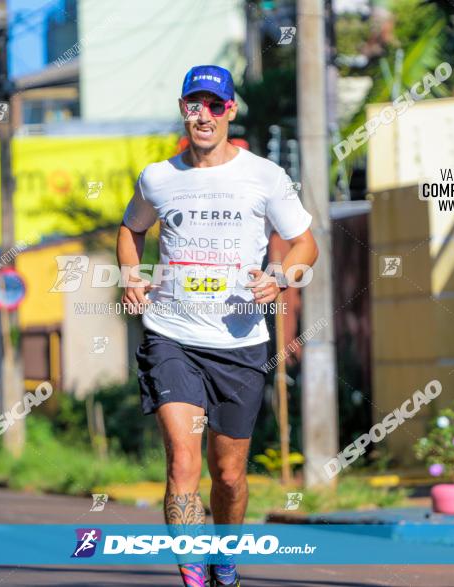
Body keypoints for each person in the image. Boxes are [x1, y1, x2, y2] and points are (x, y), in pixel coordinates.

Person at [117, 65, 318, 587]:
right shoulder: (158, 178)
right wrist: (131, 275)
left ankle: (224, 557)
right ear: (183, 110)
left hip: (240, 344)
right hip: (172, 337)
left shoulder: (264, 176)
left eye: (213, 105)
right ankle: (193, 576)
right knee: (183, 461)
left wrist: (280, 277)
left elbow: (305, 244)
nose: (202, 115)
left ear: (229, 111)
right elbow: (130, 228)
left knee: (228, 475)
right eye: (193, 105)